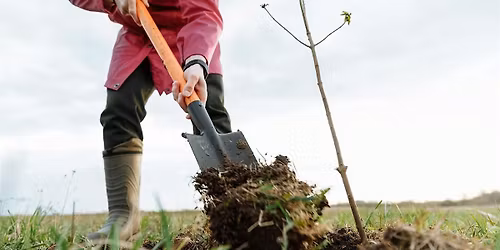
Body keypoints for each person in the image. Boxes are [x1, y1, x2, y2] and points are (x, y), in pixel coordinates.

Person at [68, 0, 231, 242]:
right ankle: (123, 218)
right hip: (138, 35)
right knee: (119, 110)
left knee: (209, 113)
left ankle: (232, 209)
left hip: (191, 34)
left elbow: (203, 13)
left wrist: (197, 60)